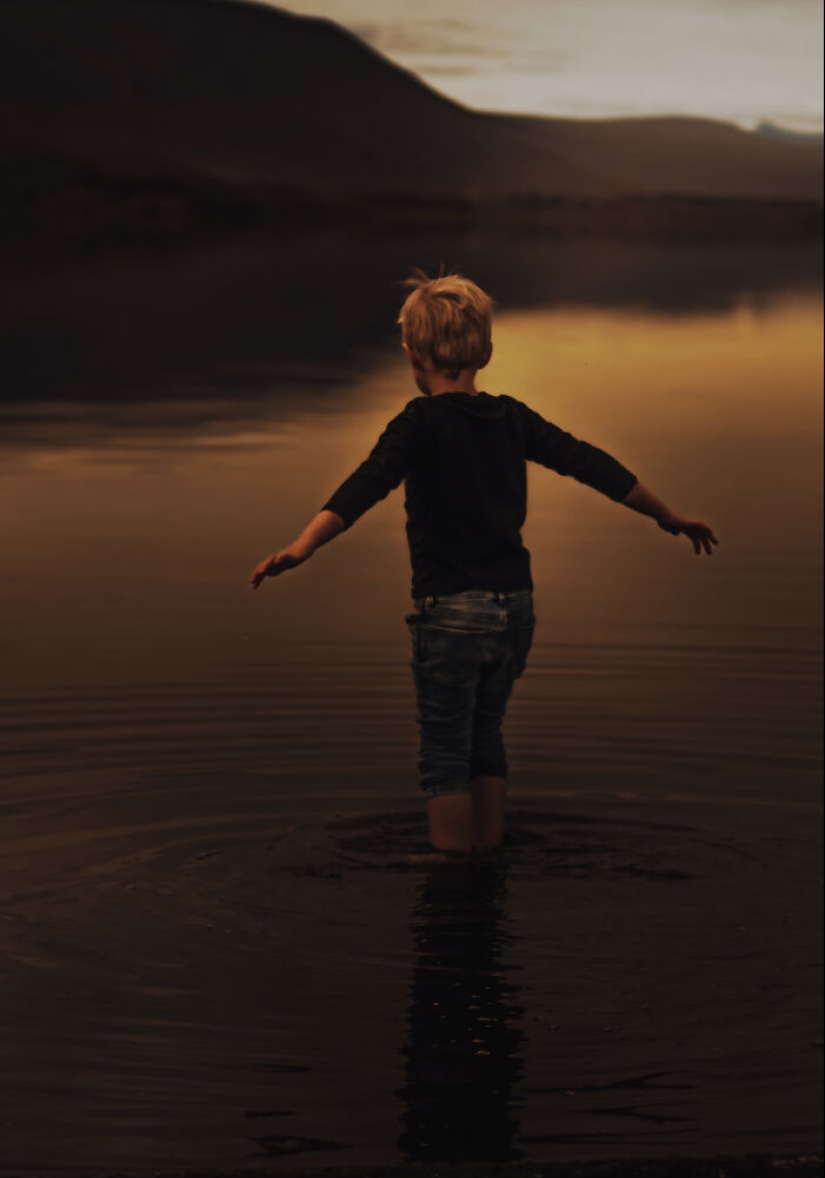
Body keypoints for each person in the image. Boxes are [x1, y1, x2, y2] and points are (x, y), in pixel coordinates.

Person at [250, 270, 717, 854]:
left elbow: (365, 486)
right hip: (513, 611)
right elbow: (591, 463)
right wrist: (666, 514)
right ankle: (489, 856)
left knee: (444, 748)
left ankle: (452, 881)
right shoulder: (511, 417)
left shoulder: (417, 425)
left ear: (410, 354)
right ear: (488, 352)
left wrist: (302, 546)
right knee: (485, 736)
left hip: (449, 613)